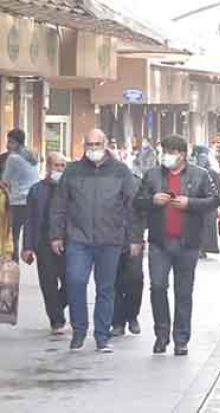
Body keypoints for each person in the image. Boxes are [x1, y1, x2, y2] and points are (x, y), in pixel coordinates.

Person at [50, 129, 141, 353]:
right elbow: (59, 205)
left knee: (106, 289)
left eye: (96, 144)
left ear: (105, 144)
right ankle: (79, 330)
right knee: (75, 281)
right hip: (78, 239)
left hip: (110, 240)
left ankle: (102, 336)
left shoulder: (121, 171)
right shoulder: (72, 170)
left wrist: (135, 239)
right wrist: (56, 235)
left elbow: (132, 207)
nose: (92, 149)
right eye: (88, 144)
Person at [134, 135, 220, 356]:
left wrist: (189, 203)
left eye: (170, 152)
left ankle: (181, 338)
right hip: (159, 243)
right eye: (164, 151)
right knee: (158, 287)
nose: (166, 156)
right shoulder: (152, 175)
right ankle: (161, 334)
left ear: (181, 154)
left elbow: (213, 200)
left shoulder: (200, 175)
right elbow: (138, 201)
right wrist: (152, 200)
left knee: (183, 292)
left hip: (187, 243)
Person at [22, 152, 67, 334]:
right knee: (48, 283)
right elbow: (30, 220)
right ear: (48, 167)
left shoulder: (70, 190)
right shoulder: (36, 190)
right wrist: (27, 247)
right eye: (56, 166)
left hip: (67, 242)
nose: (60, 169)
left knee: (72, 282)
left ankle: (57, 307)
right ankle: (56, 319)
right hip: (44, 243)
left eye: (63, 166)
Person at [111, 171, 145, 337]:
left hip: (132, 238)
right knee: (113, 282)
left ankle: (132, 315)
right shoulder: (101, 181)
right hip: (109, 238)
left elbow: (141, 213)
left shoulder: (136, 183)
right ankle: (117, 321)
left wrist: (137, 238)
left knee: (135, 279)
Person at [2, 128, 39, 262]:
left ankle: (13, 265)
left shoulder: (13, 158)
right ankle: (28, 253)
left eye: (10, 142)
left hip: (18, 202)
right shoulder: (32, 155)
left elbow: (5, 180)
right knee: (30, 232)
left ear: (17, 143)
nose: (7, 145)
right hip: (34, 200)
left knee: (13, 236)